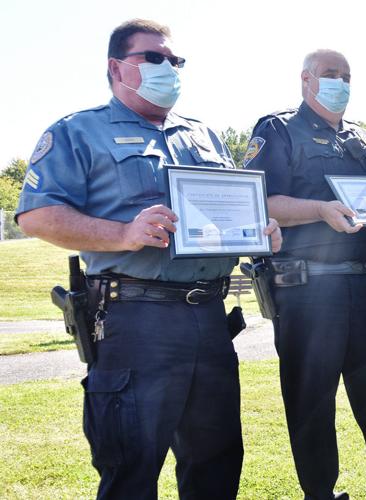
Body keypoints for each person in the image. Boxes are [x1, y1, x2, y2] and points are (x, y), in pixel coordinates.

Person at [14, 19, 282, 499]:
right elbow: (36, 214)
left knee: (216, 462)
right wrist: (123, 233)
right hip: (135, 320)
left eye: (175, 60)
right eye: (153, 58)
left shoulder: (204, 136)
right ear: (117, 67)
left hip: (208, 318)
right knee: (131, 469)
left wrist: (259, 229)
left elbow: (227, 213)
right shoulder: (80, 132)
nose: (169, 68)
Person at [244, 49, 366, 500]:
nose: (339, 82)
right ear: (306, 80)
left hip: (364, 282)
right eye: (330, 74)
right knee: (311, 401)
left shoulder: (364, 137)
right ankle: (320, 493)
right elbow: (258, 201)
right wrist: (320, 210)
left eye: (346, 75)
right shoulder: (278, 129)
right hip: (306, 286)